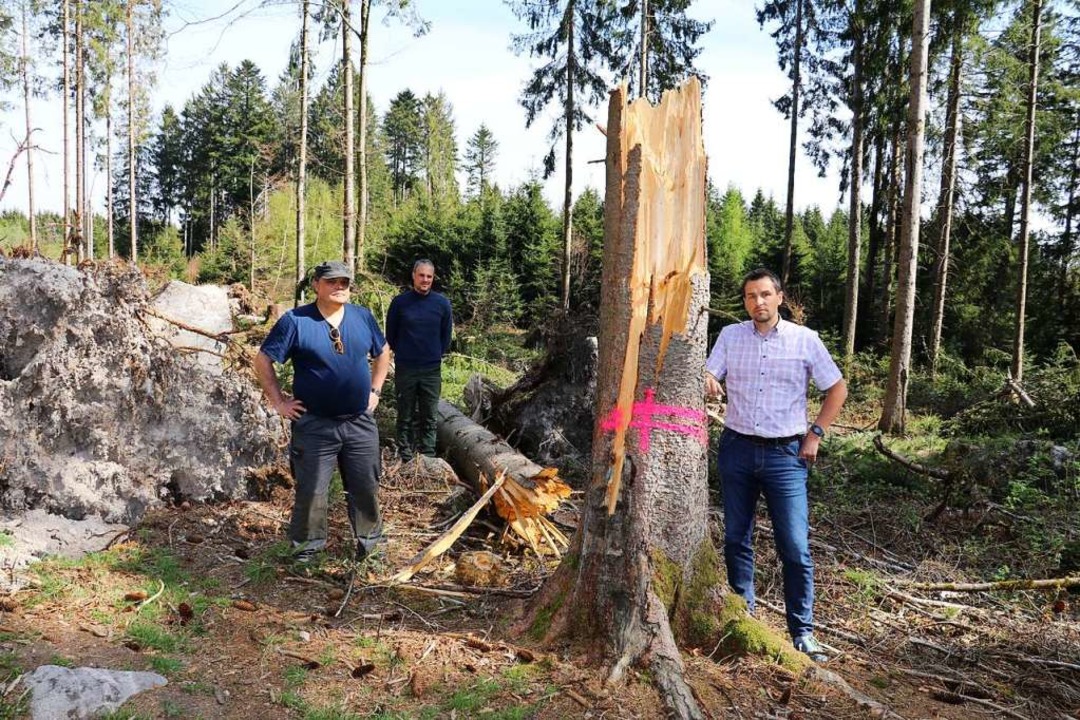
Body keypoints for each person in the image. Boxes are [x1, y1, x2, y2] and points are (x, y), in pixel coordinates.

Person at [704, 267, 848, 662]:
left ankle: (802, 632)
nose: (758, 302)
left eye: (765, 294)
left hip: (787, 454)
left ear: (780, 298)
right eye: (751, 296)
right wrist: (707, 379)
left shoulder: (805, 341)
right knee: (736, 538)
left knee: (795, 545)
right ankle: (743, 615)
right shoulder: (731, 336)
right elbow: (707, 372)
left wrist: (815, 433)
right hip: (736, 448)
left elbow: (837, 387)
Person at [254, 260, 390, 563]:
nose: (339, 287)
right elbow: (263, 360)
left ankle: (371, 550)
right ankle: (306, 553)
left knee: (365, 488)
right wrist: (279, 402)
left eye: (344, 282)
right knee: (312, 492)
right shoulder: (296, 321)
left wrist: (375, 391)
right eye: (332, 282)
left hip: (359, 423)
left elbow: (383, 353)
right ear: (316, 284)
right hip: (315, 425)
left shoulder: (362, 317)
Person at [385, 259, 453, 461]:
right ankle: (406, 454)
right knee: (405, 414)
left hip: (431, 370)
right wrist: (406, 353)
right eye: (421, 275)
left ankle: (428, 455)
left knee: (430, 415)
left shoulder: (442, 304)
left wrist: (432, 354)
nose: (425, 280)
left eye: (429, 276)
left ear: (433, 279)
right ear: (414, 275)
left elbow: (446, 336)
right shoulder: (400, 303)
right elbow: (391, 335)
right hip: (406, 368)